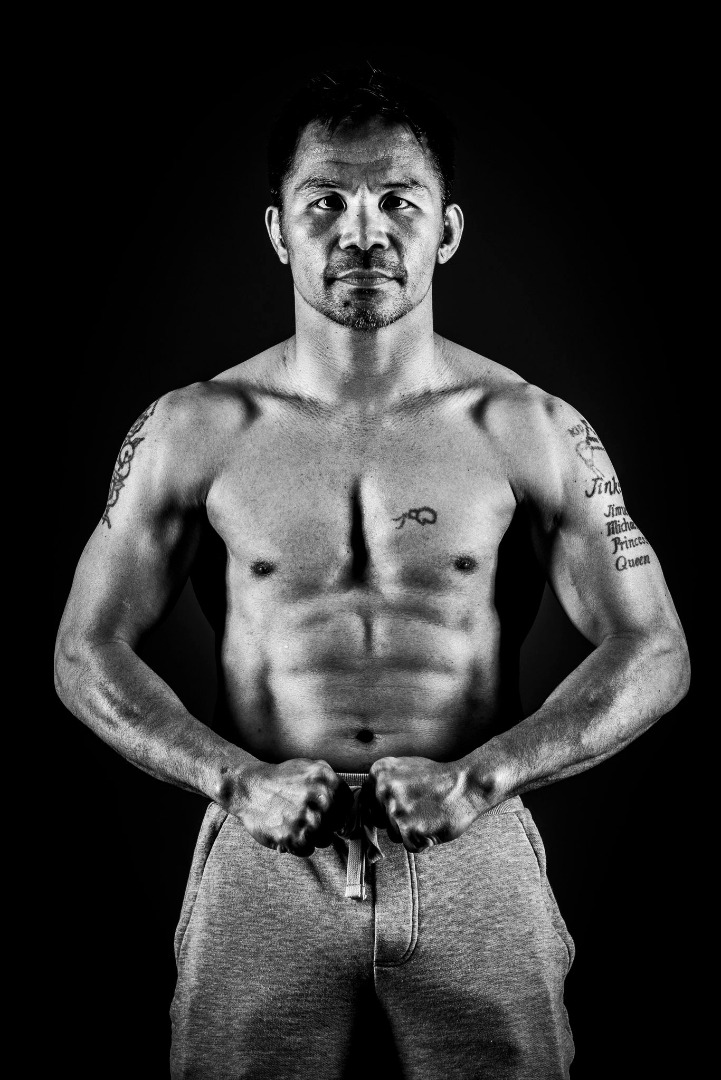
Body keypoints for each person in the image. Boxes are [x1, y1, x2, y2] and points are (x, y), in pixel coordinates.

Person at [55, 66, 689, 1079]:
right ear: (278, 230)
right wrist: (233, 780)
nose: (363, 231)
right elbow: (83, 650)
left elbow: (653, 648)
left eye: (397, 200)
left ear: (447, 230)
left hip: (470, 840)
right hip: (265, 848)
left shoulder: (529, 427)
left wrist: (485, 777)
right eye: (327, 203)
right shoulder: (194, 429)